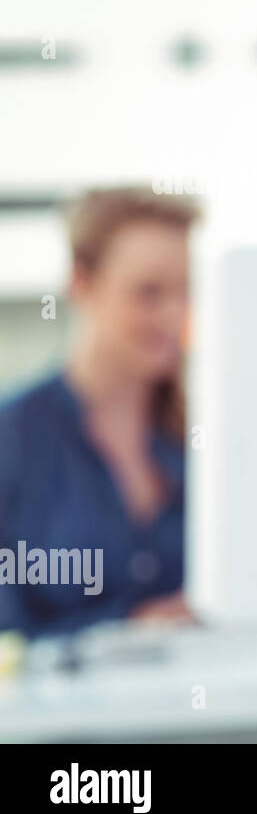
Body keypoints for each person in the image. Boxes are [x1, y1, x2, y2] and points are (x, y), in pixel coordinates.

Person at [0, 187, 200, 638]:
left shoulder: (202, 438)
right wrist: (126, 631)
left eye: (187, 290)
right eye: (149, 293)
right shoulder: (13, 440)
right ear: (82, 285)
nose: (175, 314)